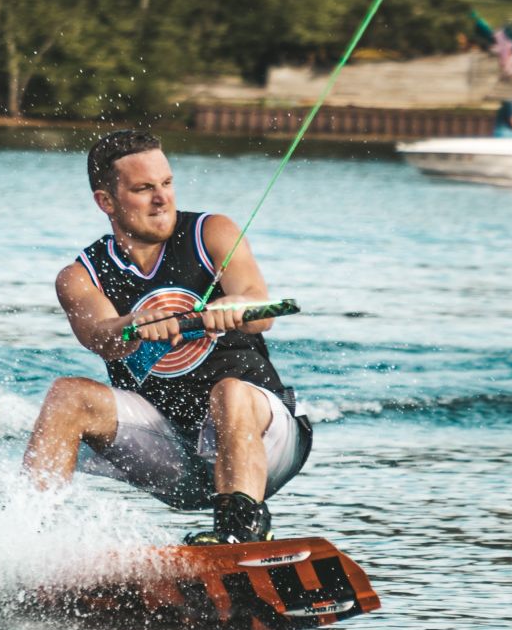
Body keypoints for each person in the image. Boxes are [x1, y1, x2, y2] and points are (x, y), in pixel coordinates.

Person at [21, 130, 313, 545]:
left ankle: (238, 535)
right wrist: (135, 324)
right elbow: (101, 336)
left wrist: (232, 307)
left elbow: (257, 308)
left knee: (229, 392)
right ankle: (25, 540)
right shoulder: (80, 276)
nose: (162, 199)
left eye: (167, 184)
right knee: (68, 396)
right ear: (107, 201)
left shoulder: (212, 232)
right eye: (143, 189)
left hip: (265, 443)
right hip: (173, 454)